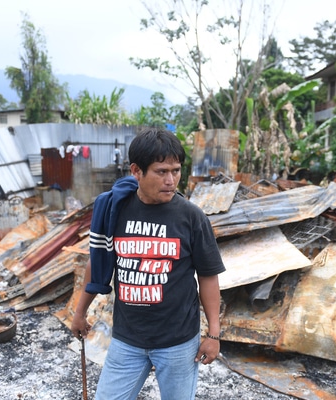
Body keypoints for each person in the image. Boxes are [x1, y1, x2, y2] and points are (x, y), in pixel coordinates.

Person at [71, 127, 226, 400]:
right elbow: (97, 264)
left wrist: (213, 335)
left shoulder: (191, 217)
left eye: (176, 171)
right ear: (136, 171)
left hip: (178, 342)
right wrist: (79, 312)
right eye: (161, 171)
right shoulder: (114, 210)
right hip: (127, 339)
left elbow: (208, 276)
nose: (171, 180)